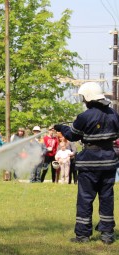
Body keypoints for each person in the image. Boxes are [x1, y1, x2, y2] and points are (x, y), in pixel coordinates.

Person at [54, 81, 119, 244]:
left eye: (83, 98)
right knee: (106, 198)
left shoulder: (84, 116)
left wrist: (62, 127)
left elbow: (73, 135)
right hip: (109, 162)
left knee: (85, 198)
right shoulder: (114, 114)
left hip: (90, 163)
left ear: (88, 97)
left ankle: (83, 235)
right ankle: (107, 235)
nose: (83, 100)